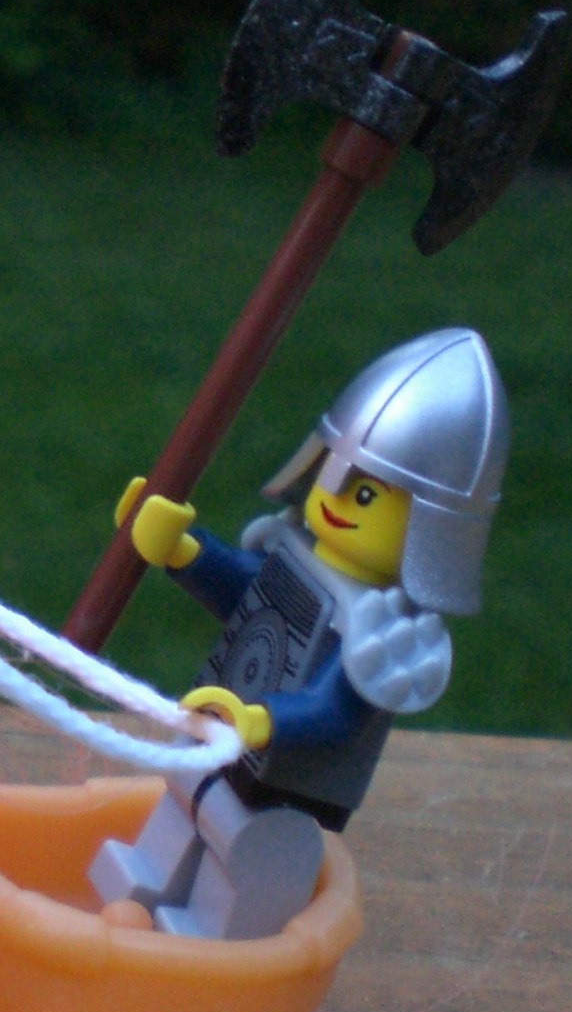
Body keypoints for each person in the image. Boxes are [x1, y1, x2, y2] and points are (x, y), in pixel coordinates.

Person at [90, 328, 509, 937]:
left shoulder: (378, 631)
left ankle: (207, 935)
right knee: (183, 797)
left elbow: (334, 714)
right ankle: (146, 879)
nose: (337, 501)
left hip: (278, 783)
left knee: (245, 850)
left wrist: (260, 721)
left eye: (365, 494)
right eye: (335, 477)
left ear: (428, 526)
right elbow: (245, 593)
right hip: (218, 743)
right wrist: (183, 550)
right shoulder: (292, 559)